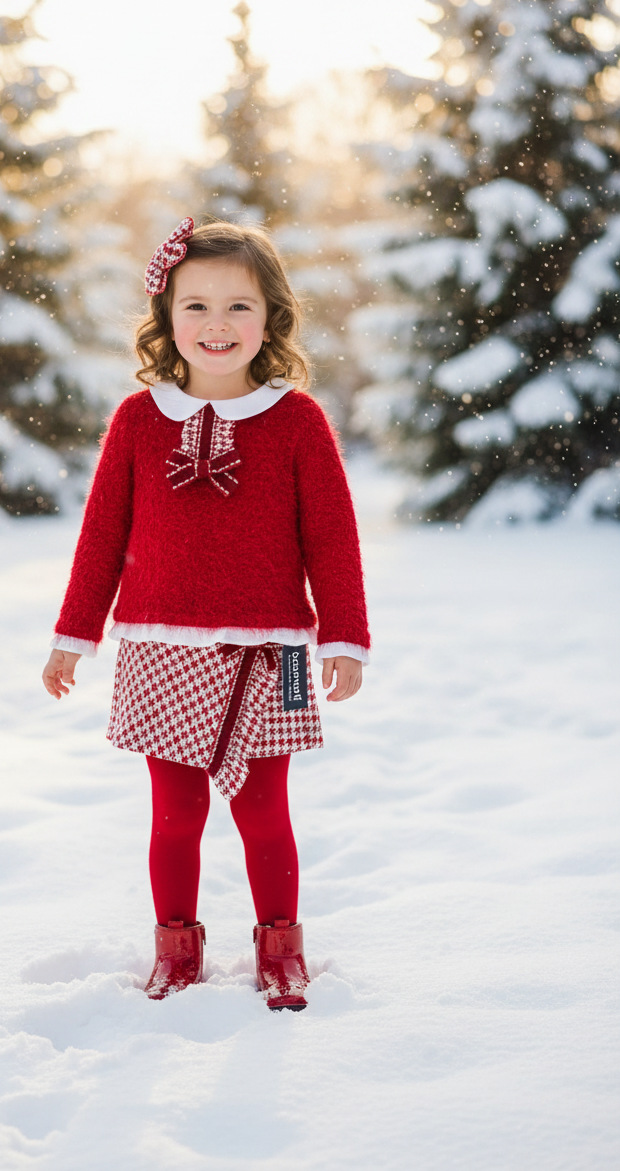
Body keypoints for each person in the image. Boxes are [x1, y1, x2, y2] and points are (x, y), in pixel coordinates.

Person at [42, 218, 370, 1011]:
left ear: (271, 318)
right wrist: (74, 636)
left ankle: (281, 947)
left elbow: (332, 539)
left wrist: (346, 636)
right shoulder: (136, 420)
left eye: (238, 307)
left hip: (281, 649)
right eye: (196, 307)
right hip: (158, 643)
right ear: (167, 318)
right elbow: (101, 538)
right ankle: (176, 947)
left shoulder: (298, 423)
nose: (216, 326)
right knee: (176, 812)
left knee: (266, 810)